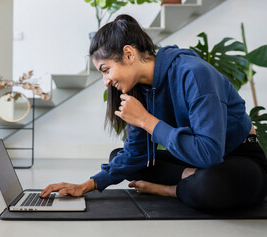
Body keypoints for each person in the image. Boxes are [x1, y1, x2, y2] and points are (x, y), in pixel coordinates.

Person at [40, 14, 267, 210]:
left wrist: (146, 120)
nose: (106, 81)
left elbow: (210, 154)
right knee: (119, 158)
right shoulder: (138, 90)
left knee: (208, 184)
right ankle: (190, 176)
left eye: (106, 70)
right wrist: (85, 186)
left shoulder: (194, 74)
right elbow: (136, 154)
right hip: (195, 160)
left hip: (237, 159)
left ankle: (171, 190)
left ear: (129, 54)